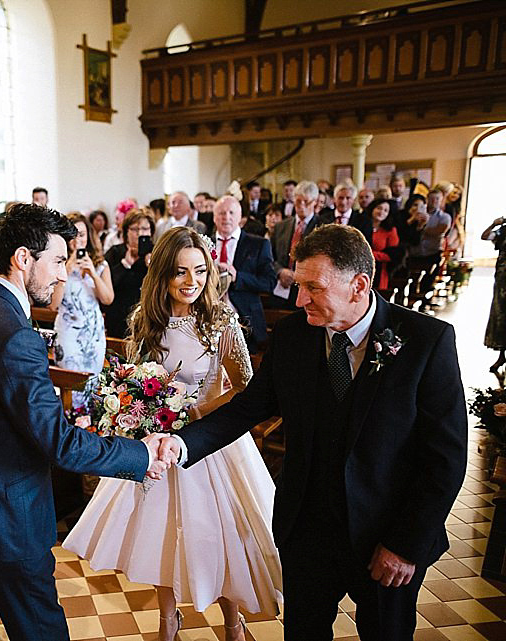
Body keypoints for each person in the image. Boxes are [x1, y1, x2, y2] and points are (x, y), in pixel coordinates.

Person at [158, 224, 467, 640]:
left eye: (313, 287)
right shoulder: (293, 335)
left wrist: (405, 544)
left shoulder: (425, 341)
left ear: (358, 285)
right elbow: (246, 408)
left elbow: (445, 458)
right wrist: (179, 443)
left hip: (385, 537)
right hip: (307, 531)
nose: (300, 299)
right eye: (299, 285)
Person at [0, 203, 169, 641]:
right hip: (2, 514)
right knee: (40, 629)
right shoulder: (15, 332)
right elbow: (57, 442)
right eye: (57, 260)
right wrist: (139, 453)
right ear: (23, 258)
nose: (63, 273)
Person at [64, 227, 281, 641]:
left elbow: (247, 390)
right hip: (158, 446)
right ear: (163, 274)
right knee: (161, 534)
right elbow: (135, 381)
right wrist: (133, 411)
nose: (191, 281)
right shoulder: (146, 321)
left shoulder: (221, 322)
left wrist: (195, 410)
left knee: (221, 534)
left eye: (199, 271)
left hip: (212, 442)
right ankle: (168, 619)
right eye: (180, 272)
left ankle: (232, 620)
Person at [50, 213, 113, 404]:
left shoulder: (100, 263)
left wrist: (93, 274)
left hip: (93, 333)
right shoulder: (57, 265)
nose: (78, 240)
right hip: (68, 333)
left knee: (94, 381)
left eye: (83, 234)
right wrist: (66, 272)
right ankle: (72, 419)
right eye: (74, 235)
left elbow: (108, 299)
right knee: (72, 382)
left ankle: (91, 422)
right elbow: (53, 304)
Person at [213, 195, 277, 352]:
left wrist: (238, 277)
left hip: (246, 325)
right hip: (209, 324)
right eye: (221, 213)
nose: (226, 217)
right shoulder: (203, 244)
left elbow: (269, 282)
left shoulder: (258, 244)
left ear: (240, 217)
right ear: (214, 217)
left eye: (231, 213)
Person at [271, 181, 325, 310]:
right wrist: (280, 271)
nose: (301, 206)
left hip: (309, 291)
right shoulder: (281, 226)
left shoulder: (324, 228)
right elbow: (270, 257)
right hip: (281, 287)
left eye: (306, 202)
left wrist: (299, 276)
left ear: (315, 202)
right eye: (298, 201)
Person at [104, 209, 155, 339]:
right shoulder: (115, 253)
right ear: (126, 231)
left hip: (148, 317)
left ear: (151, 231)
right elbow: (106, 286)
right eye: (135, 229)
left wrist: (152, 266)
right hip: (119, 317)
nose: (140, 233)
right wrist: (125, 264)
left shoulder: (157, 252)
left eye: (144, 229)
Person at [483, 216, 506, 373]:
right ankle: (502, 354)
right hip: (503, 280)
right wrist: (493, 223)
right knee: (501, 315)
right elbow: (485, 236)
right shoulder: (503, 231)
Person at [369, 198, 400, 294]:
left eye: (385, 210)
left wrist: (369, 254)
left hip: (380, 269)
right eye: (379, 208)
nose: (381, 212)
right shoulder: (362, 224)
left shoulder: (390, 230)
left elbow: (391, 255)